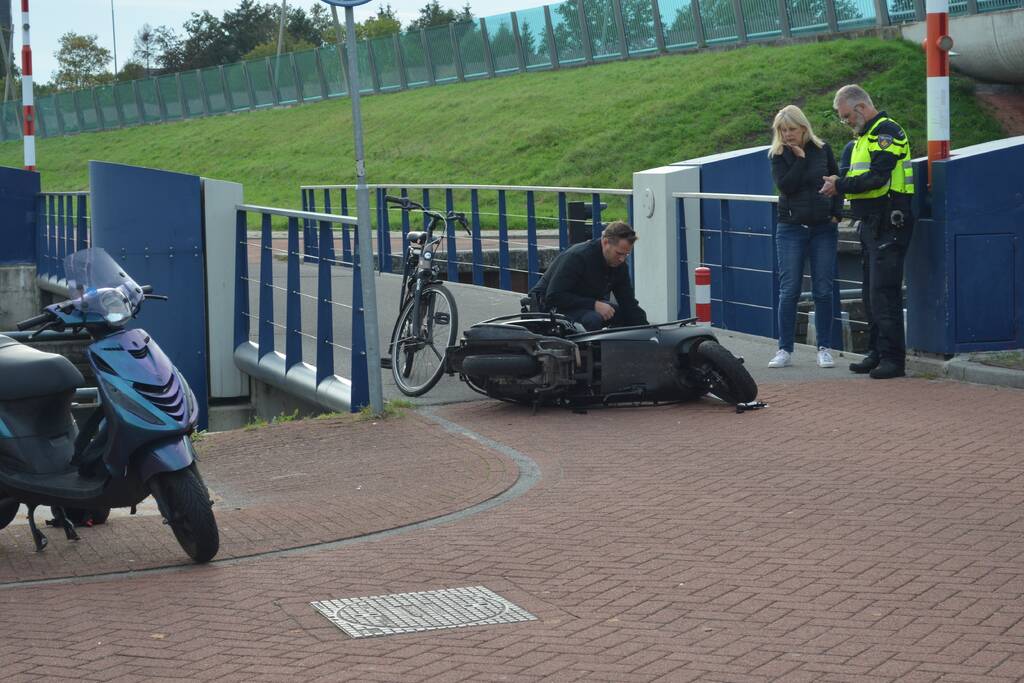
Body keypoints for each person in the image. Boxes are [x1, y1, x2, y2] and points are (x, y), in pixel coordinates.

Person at [820, 84, 915, 380]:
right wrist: (841, 179)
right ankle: (876, 352)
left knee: (883, 293)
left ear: (860, 107)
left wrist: (840, 184)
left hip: (890, 220)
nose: (845, 121)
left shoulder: (886, 132)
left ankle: (893, 359)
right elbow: (860, 175)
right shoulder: (864, 137)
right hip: (872, 223)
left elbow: (877, 178)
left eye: (846, 115)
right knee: (869, 293)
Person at [767, 105, 843, 369]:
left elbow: (837, 180)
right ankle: (784, 349)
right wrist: (798, 159)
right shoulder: (778, 155)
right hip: (791, 228)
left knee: (823, 289)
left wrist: (836, 214)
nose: (787, 135)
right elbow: (786, 185)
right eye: (782, 130)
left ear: (803, 128)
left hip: (823, 228)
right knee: (789, 290)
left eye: (791, 129)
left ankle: (824, 348)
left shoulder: (823, 150)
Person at [529, 221, 648, 331]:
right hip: (547, 306)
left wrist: (648, 331)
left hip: (581, 303)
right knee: (593, 319)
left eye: (626, 254)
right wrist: (594, 305)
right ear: (606, 242)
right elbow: (554, 296)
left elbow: (627, 302)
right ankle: (592, 353)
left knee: (626, 314)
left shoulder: (619, 264)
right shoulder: (578, 257)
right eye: (619, 253)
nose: (622, 259)